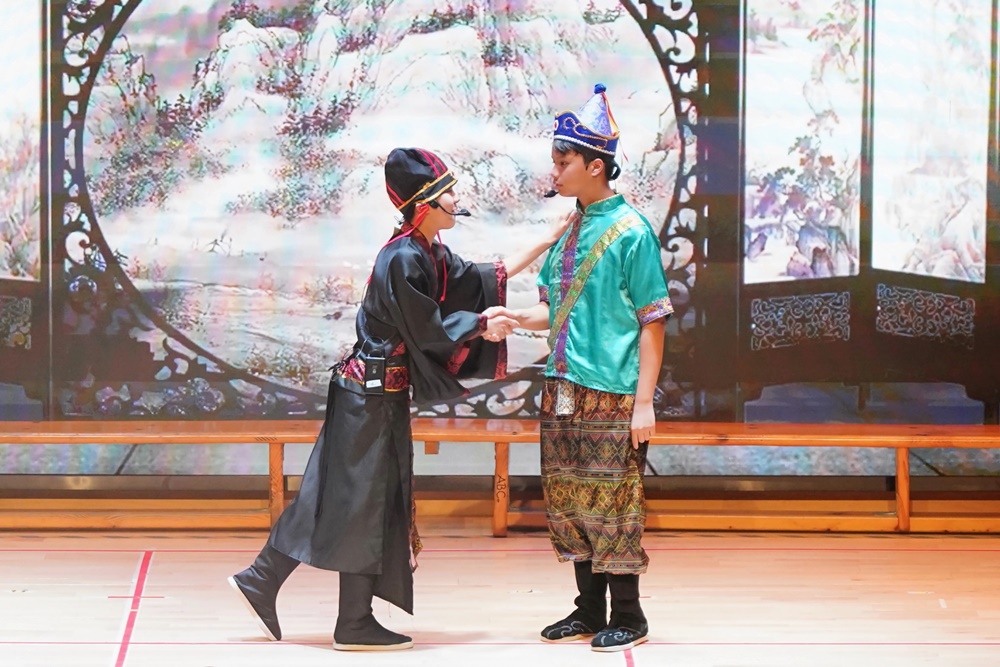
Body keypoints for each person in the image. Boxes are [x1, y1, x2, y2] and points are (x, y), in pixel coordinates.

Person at [228, 147, 570, 651]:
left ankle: (287, 591)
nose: (457, 199)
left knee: (354, 499)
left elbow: (482, 278)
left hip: (375, 396)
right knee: (360, 501)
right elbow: (428, 330)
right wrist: (482, 324)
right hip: (367, 396)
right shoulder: (403, 257)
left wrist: (546, 240)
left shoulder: (426, 250)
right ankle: (338, 616)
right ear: (426, 202)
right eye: (449, 192)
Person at [502, 84, 673, 652]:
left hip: (611, 391)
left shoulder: (632, 232)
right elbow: (552, 310)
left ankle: (629, 613)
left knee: (614, 503)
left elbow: (653, 322)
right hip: (562, 387)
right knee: (571, 499)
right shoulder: (569, 230)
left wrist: (644, 403)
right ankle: (588, 609)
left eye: (563, 161)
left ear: (595, 166)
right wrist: (513, 319)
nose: (554, 171)